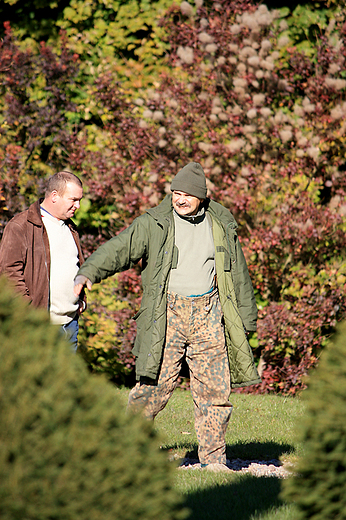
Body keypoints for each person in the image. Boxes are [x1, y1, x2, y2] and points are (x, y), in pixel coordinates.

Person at [74, 162, 260, 471]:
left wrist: (246, 320)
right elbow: (119, 249)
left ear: (202, 196)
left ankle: (214, 463)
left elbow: (238, 274)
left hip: (209, 312)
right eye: (175, 192)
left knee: (215, 392)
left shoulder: (222, 222)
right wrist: (90, 271)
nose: (180, 199)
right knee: (153, 387)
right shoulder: (155, 222)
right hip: (167, 315)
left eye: (187, 194)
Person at [0, 170, 86, 350]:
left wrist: (82, 302)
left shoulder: (71, 229)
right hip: (37, 329)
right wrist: (31, 315)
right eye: (73, 199)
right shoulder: (20, 226)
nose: (78, 205)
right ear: (54, 196)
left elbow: (77, 268)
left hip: (70, 326)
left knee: (67, 379)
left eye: (79, 200)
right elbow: (8, 275)